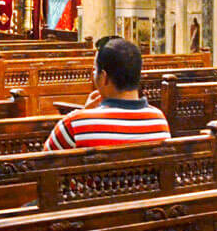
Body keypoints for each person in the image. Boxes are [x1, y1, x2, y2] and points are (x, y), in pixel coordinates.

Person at [43, 36, 171, 150]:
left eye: (95, 70)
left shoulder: (75, 125)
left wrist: (84, 113)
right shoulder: (159, 120)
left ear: (104, 77)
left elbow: (43, 166)